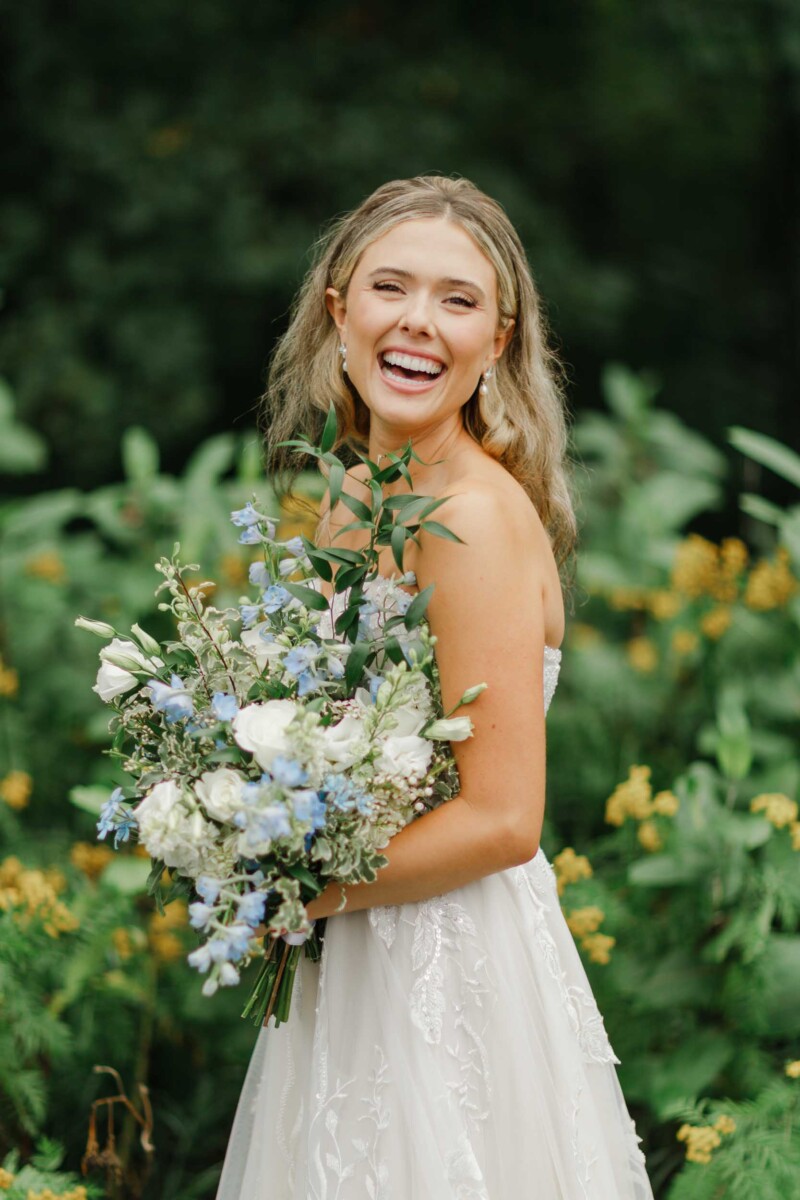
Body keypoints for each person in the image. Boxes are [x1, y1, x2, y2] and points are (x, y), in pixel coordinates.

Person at [216, 175, 654, 1199]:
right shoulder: (351, 501)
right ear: (339, 307)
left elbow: (502, 818)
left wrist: (298, 893)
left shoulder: (474, 518)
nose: (419, 322)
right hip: (356, 945)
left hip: (448, 964)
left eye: (457, 301)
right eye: (391, 288)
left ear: (495, 340)